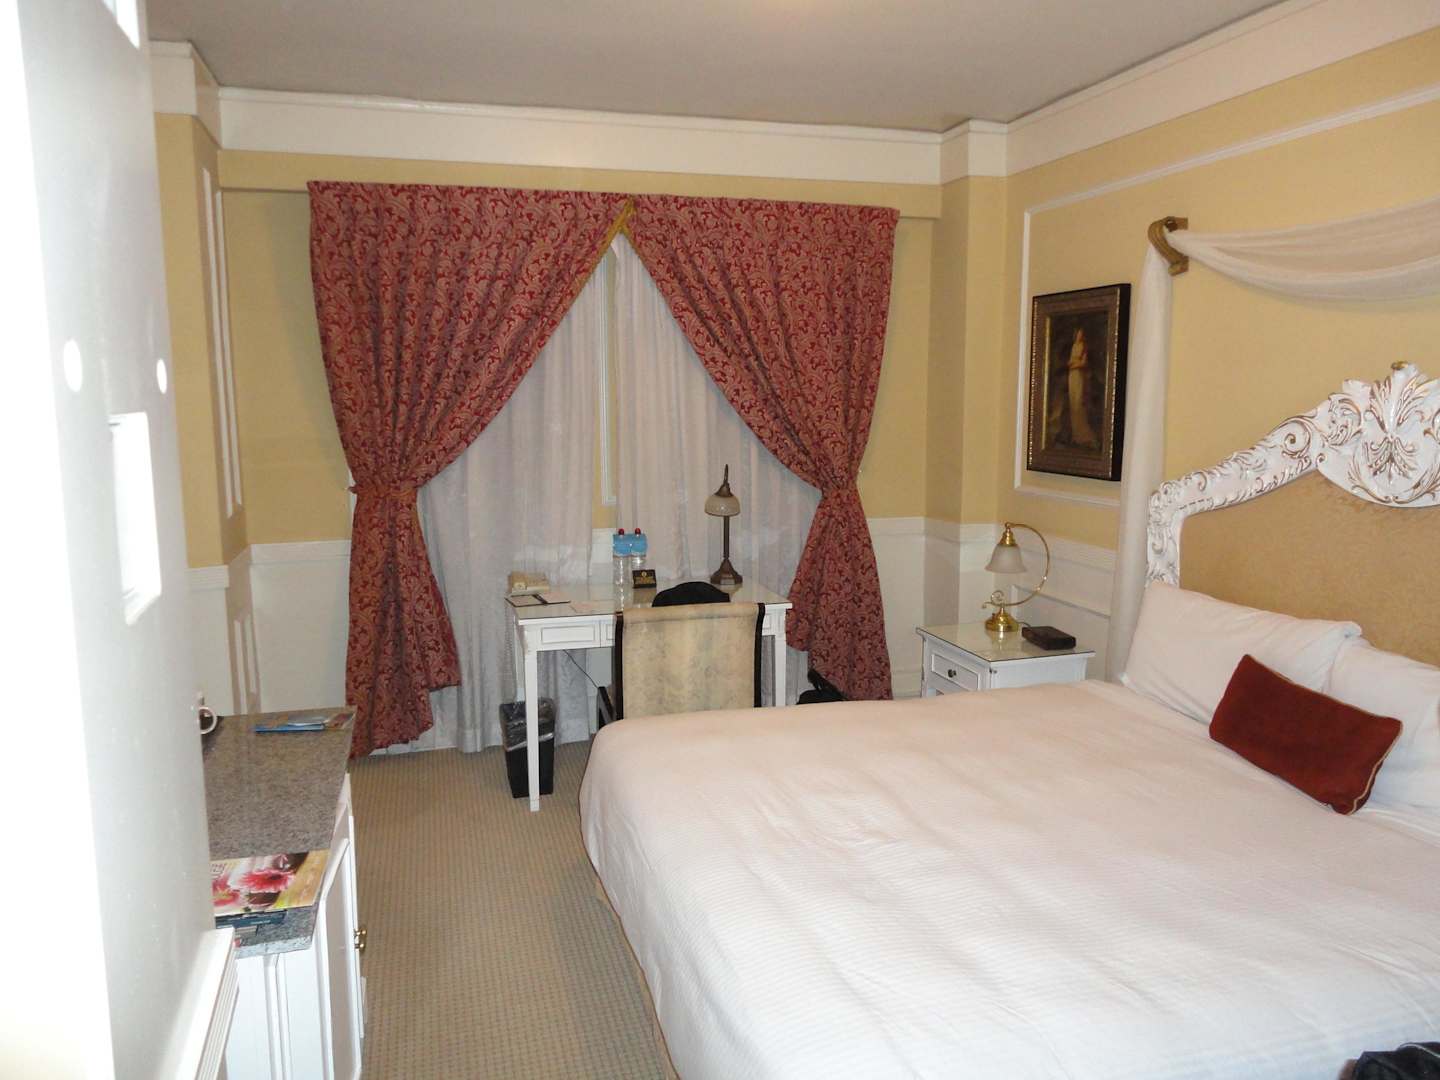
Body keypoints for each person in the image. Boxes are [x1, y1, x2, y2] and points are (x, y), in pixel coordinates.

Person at [1064, 326, 1099, 449]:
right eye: (1078, 333)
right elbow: (1069, 362)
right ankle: (1076, 435)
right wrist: (1073, 363)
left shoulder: (1083, 347)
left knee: (1079, 403)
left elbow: (1083, 363)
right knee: (1073, 403)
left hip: (1079, 375)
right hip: (1071, 376)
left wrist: (1074, 364)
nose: (1079, 336)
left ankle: (1084, 435)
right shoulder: (1074, 346)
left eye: (1081, 334)